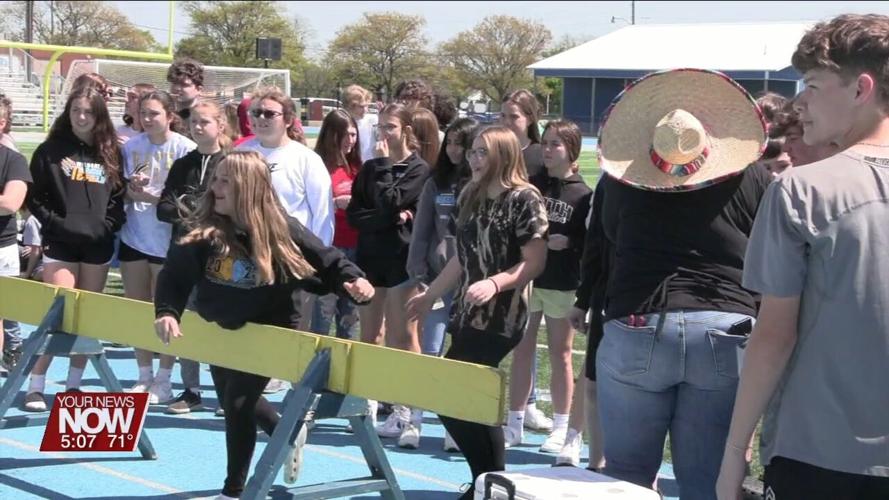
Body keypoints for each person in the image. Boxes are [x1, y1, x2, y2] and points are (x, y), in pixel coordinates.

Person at [717, 14, 889, 500]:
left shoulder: (800, 189)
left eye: (812, 85)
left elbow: (773, 336)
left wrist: (734, 454)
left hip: (819, 456)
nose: (800, 102)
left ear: (861, 89)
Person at [153, 150, 374, 500]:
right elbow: (174, 276)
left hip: (269, 328)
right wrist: (167, 311)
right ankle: (286, 432)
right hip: (221, 326)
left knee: (238, 403)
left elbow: (327, 260)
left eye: (226, 180)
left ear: (249, 187)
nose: (215, 187)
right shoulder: (204, 228)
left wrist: (353, 279)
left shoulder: (280, 227)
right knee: (232, 399)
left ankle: (234, 490)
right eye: (216, 179)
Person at [593, 68, 770, 499]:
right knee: (709, 479)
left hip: (638, 317)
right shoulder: (754, 177)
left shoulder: (618, 182)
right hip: (725, 323)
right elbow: (769, 250)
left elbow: (610, 237)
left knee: (625, 479)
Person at [407, 125, 548, 498]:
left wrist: (495, 283)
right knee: (455, 399)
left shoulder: (525, 198)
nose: (474, 159)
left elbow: (533, 263)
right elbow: (460, 257)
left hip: (503, 314)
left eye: (483, 152)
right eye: (473, 152)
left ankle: (491, 482)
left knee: (463, 395)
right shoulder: (471, 193)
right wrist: (431, 295)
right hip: (468, 312)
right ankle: (487, 481)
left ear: (504, 155)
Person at [21, 87, 125, 410]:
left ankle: (73, 387)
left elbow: (118, 199)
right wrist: (54, 223)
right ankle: (35, 386)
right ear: (68, 113)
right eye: (76, 110)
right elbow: (33, 198)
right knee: (58, 314)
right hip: (61, 243)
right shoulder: (49, 151)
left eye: (88, 112)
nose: (82, 117)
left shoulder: (111, 153)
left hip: (97, 245)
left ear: (99, 117)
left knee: (86, 318)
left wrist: (106, 227)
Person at [504, 120, 592, 454]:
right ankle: (514, 422)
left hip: (561, 283)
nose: (548, 149)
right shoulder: (531, 185)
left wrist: (568, 242)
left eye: (556, 144)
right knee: (521, 349)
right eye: (546, 142)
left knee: (561, 353)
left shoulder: (582, 194)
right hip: (528, 280)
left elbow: (589, 244)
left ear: (572, 150)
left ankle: (561, 426)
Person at [346, 102, 430, 436]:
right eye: (379, 127)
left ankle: (404, 407)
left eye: (390, 127)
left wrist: (391, 208)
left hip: (402, 260)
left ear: (407, 131)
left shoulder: (418, 169)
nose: (383, 134)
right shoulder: (370, 168)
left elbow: (393, 200)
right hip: (370, 257)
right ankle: (368, 400)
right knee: (369, 333)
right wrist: (388, 217)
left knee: (402, 334)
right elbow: (356, 213)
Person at [403, 117, 479, 450]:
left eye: (460, 144)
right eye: (449, 143)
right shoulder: (436, 183)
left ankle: (455, 428)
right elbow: (422, 230)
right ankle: (415, 421)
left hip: (471, 287)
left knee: (462, 357)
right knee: (429, 349)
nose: (452, 150)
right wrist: (417, 270)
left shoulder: (480, 184)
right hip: (434, 281)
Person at [120, 90, 196, 404]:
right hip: (134, 236)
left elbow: (188, 201)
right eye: (143, 113)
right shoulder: (131, 147)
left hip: (169, 242)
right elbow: (121, 189)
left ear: (169, 115)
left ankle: (164, 379)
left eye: (154, 113)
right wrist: (130, 188)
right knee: (137, 309)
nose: (148, 119)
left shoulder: (185, 148)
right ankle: (143, 376)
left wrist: (154, 198)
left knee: (167, 310)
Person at [156, 100, 230, 414]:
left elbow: (233, 208)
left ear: (220, 126)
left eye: (205, 122)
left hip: (221, 257)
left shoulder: (232, 163)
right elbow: (164, 207)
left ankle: (228, 392)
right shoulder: (183, 164)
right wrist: (193, 211)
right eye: (194, 122)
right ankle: (191, 390)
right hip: (185, 257)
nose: (198, 127)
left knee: (223, 326)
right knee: (185, 321)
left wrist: (198, 211)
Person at [309, 109, 362, 339]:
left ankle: (345, 373)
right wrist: (333, 203)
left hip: (356, 250)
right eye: (345, 134)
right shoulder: (315, 165)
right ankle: (315, 373)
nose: (350, 140)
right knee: (321, 319)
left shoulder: (358, 168)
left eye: (353, 134)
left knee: (349, 320)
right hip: (328, 249)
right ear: (331, 135)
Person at [0, 129, 30, 374]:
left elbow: (10, 204)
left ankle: (14, 347)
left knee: (4, 310)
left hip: (2, 246)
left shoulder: (12, 159)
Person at [343, 85, 378, 163]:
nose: (365, 110)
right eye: (361, 107)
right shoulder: (340, 123)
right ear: (350, 106)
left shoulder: (373, 120)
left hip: (370, 166)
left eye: (367, 106)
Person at [166, 57, 205, 126]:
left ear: (199, 89)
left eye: (184, 85)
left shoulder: (205, 118)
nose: (177, 88)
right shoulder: (166, 116)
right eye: (174, 83)